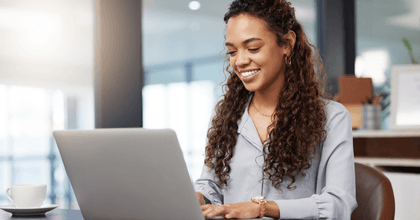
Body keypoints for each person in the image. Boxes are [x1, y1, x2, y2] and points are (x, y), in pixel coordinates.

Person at [194, 0, 357, 219]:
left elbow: (339, 204)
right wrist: (199, 197)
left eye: (253, 48)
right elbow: (210, 185)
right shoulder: (225, 116)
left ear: (287, 43)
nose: (240, 61)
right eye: (232, 51)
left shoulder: (331, 118)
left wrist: (263, 208)